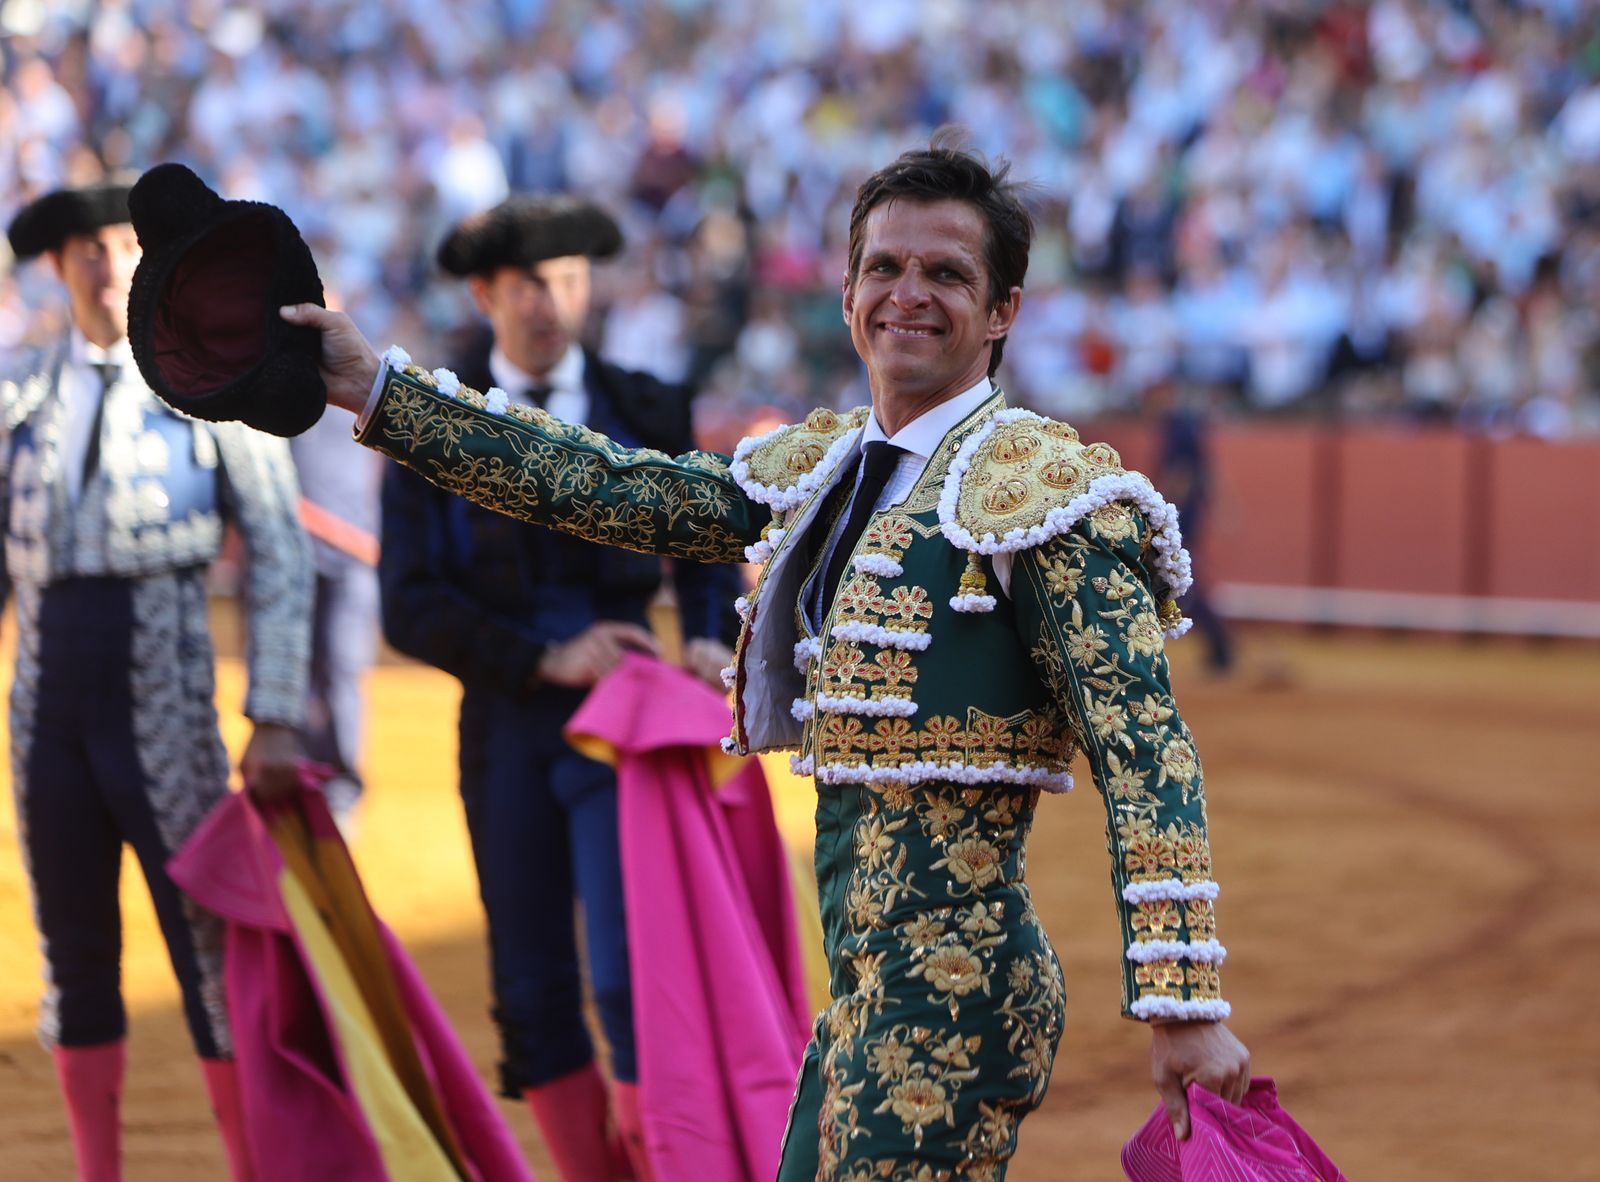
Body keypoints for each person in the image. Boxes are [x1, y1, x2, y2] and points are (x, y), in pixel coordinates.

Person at [286, 138, 1250, 1179]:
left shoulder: (1040, 492)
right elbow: (614, 489)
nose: (906, 295)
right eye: (883, 268)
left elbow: (1143, 748)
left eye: (946, 274)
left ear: (1003, 309)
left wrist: (1184, 1004)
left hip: (957, 992)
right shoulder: (829, 467)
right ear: (845, 293)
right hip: (862, 993)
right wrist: (376, 390)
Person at [376, 194, 740, 1181]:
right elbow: (407, 606)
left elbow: (710, 549)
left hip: (628, 720)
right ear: (486, 291)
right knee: (531, 991)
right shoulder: (430, 426)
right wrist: (541, 656)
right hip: (508, 720)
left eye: (573, 278)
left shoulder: (647, 405)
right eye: (533, 281)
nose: (554, 300)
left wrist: (708, 638)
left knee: (632, 981)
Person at [2, 182, 311, 1181]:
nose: (102, 261)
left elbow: (279, 548)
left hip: (168, 687)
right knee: (72, 942)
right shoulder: (16, 391)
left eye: (116, 244)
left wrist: (272, 708)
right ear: (58, 264)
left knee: (208, 943)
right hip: (45, 691)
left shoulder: (201, 377)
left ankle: (249, 1165)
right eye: (83, 247)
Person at [290, 405, 384, 825]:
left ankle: (343, 790)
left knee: (342, 670)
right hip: (291, 555)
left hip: (353, 557)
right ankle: (301, 781)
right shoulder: (275, 377)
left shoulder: (366, 377)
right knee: (296, 673)